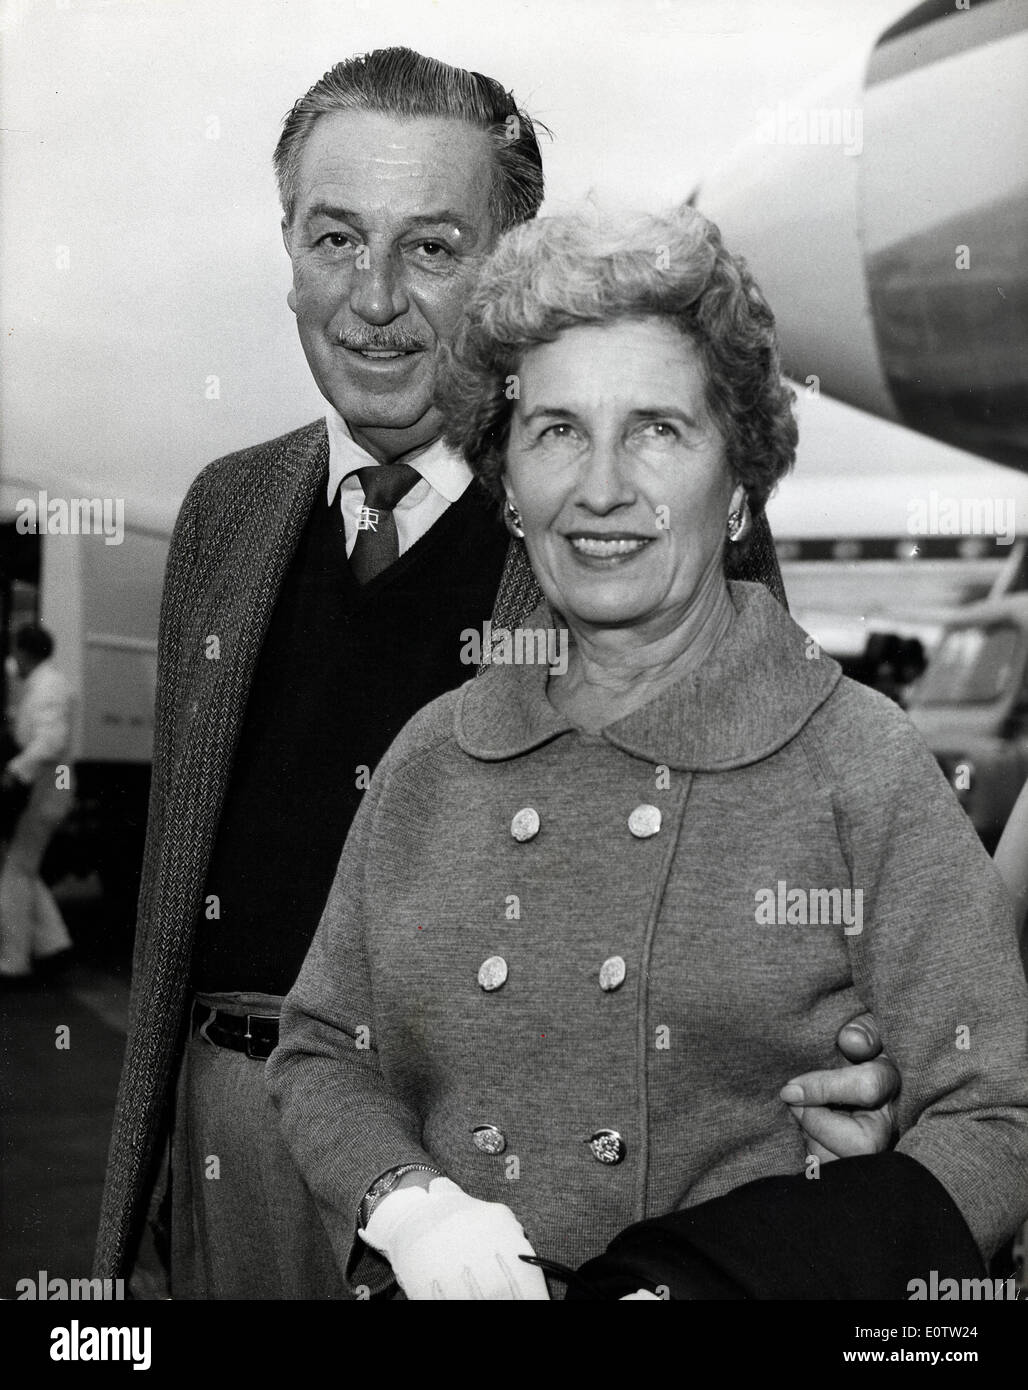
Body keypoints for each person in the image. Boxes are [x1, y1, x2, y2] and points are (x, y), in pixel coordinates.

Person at [95, 50, 895, 1300]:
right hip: (231, 1143)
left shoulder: (629, 517)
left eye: (430, 247)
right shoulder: (224, 512)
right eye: (334, 238)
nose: (372, 300)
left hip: (492, 1177)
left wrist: (842, 1062)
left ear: (507, 266)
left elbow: (786, 838)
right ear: (288, 247)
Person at [266, 205, 1028, 1300]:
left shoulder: (854, 759)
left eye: (658, 429)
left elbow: (997, 1112)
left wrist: (782, 1256)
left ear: (737, 485)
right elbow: (323, 1048)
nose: (603, 487)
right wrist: (407, 1203)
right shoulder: (433, 757)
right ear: (508, 483)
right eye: (557, 430)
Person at [0, 624, 76, 983]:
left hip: (44, 793)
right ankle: (53, 945)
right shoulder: (45, 684)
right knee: (24, 868)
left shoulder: (48, 687)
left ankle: (12, 962)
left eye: (15, 651)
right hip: (45, 791)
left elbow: (50, 741)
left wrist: (15, 770)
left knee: (14, 872)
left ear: (25, 652)